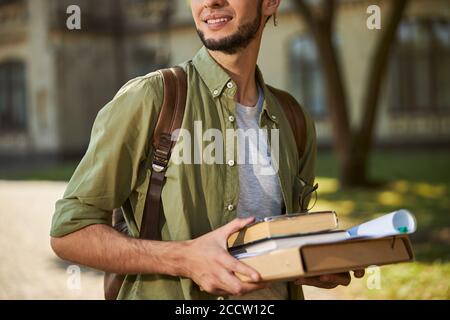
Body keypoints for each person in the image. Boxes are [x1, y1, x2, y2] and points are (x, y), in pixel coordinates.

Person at [50, 0, 364, 300]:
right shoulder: (151, 98)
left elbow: (282, 241)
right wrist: (184, 259)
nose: (211, 2)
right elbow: (69, 232)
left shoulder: (293, 118)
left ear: (270, 2)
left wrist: (309, 262)